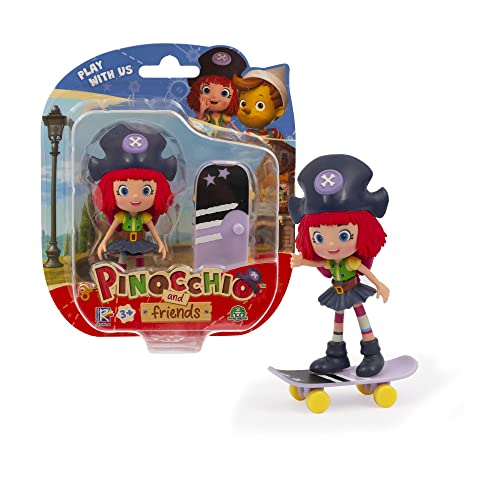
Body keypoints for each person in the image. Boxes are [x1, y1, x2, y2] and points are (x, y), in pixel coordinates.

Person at [289, 154, 390, 377]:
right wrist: (302, 261)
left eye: (344, 235)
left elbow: (365, 271)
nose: (332, 245)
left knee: (361, 316)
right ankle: (336, 355)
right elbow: (319, 262)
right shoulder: (332, 262)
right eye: (319, 238)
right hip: (337, 290)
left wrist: (379, 285)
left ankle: (372, 352)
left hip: (353, 289)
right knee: (338, 319)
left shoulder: (351, 262)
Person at [88, 123, 177, 270]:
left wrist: (161, 244)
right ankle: (120, 272)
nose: (135, 197)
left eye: (146, 190)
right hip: (125, 242)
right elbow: (111, 230)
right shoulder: (121, 217)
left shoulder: (145, 217)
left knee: (140, 258)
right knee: (122, 257)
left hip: (140, 242)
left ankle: (140, 273)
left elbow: (153, 231)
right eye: (124, 190)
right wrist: (102, 243)